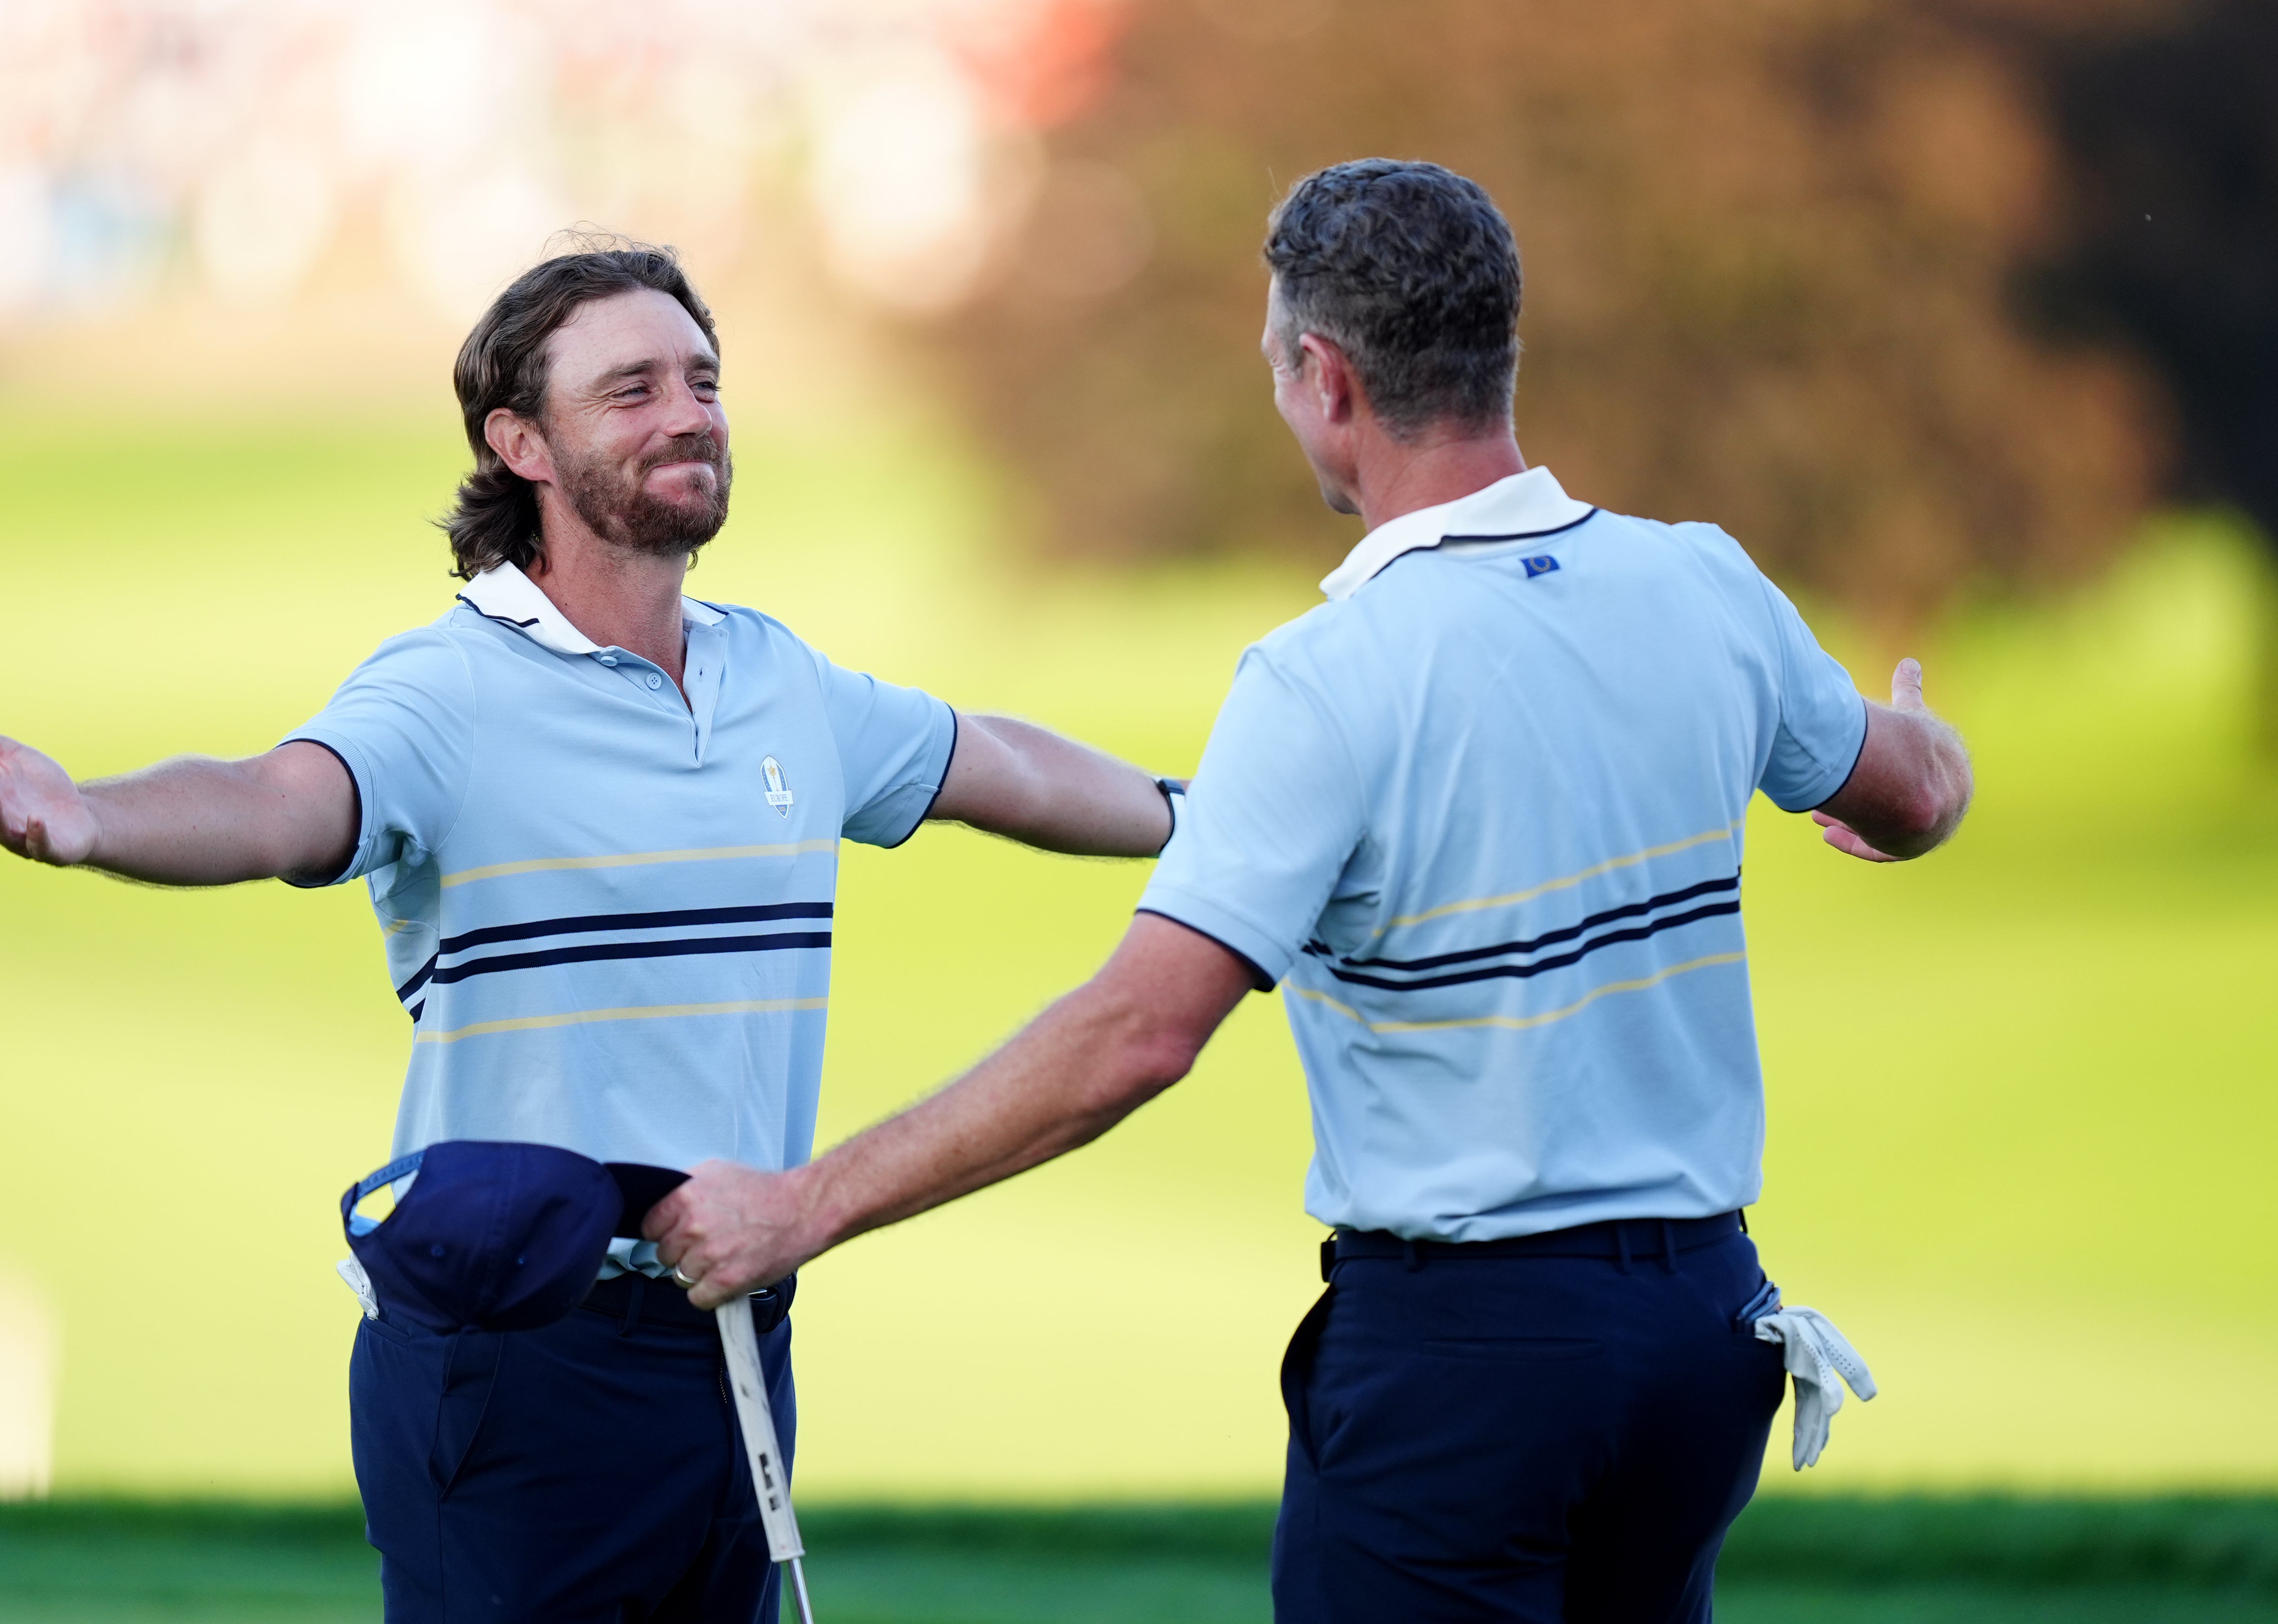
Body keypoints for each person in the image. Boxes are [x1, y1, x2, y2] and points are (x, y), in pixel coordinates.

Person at [646, 161, 1976, 1622]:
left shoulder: (1326, 678)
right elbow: (1906, 792)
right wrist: (1927, 753)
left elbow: (1138, 1034)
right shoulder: (1704, 584)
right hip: (1702, 1334)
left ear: (1326, 379)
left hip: (1469, 1365)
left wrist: (804, 1205)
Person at [0, 239, 1180, 1624]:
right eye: (631, 388)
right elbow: (281, 800)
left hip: (738, 1329)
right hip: (517, 1354)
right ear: (519, 441)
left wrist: (1209, 823)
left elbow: (995, 763)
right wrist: (92, 817)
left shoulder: (782, 681)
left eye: (702, 380)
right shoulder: (449, 689)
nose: (688, 412)